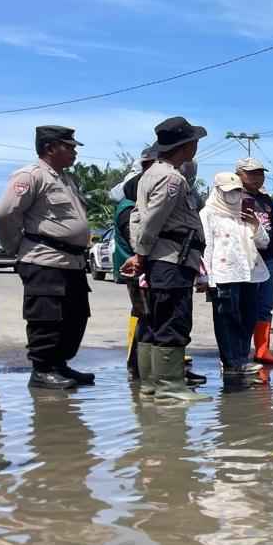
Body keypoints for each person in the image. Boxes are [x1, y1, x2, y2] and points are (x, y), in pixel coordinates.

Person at [0, 126, 93, 389]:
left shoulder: (66, 179)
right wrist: (15, 247)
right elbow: (6, 213)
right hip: (44, 259)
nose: (74, 152)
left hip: (72, 262)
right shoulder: (31, 176)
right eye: (69, 146)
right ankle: (42, 370)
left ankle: (59, 365)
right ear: (50, 148)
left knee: (75, 317)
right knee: (47, 318)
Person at [122, 115, 209, 403]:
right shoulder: (171, 178)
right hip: (171, 258)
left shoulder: (150, 174)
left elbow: (138, 218)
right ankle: (170, 384)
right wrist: (141, 253)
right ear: (186, 146)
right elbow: (151, 221)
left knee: (153, 320)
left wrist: (141, 253)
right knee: (173, 319)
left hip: (163, 258)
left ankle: (151, 383)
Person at [201, 172, 270, 378]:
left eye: (237, 191)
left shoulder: (245, 212)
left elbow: (263, 242)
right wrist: (206, 277)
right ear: (218, 190)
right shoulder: (209, 213)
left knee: (248, 317)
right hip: (223, 275)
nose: (234, 195)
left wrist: (255, 225)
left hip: (249, 272)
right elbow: (207, 246)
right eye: (229, 192)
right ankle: (231, 361)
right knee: (227, 318)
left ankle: (241, 358)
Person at [112, 145, 157, 378]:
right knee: (146, 317)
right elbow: (136, 241)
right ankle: (140, 369)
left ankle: (141, 367)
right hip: (137, 271)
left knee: (146, 317)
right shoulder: (128, 209)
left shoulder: (131, 207)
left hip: (140, 269)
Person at [235, 158, 273, 364]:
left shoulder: (266, 200)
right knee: (244, 306)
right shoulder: (232, 197)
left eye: (260, 173)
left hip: (269, 258)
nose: (257, 177)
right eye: (251, 173)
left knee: (265, 306)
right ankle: (240, 351)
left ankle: (262, 350)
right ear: (239, 174)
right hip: (245, 258)